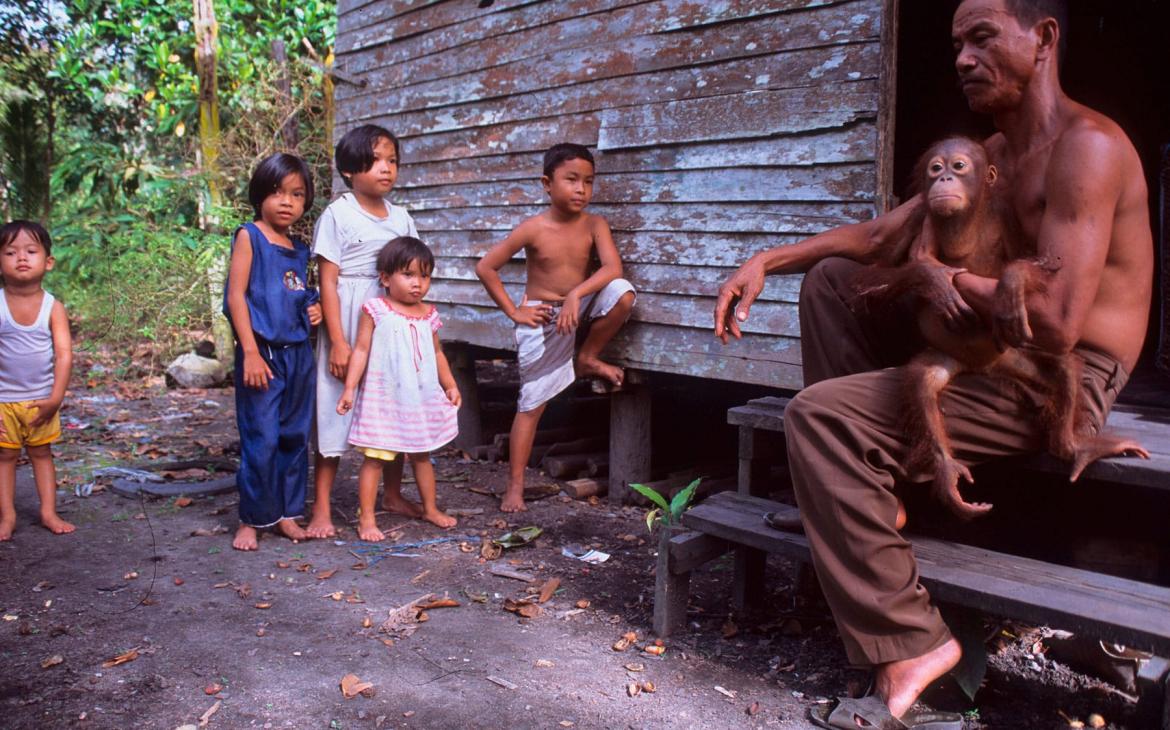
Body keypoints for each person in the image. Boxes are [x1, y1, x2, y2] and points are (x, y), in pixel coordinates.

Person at [713, 0, 1153, 725]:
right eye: (957, 45)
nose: (960, 59)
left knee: (817, 419)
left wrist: (947, 280)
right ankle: (870, 494)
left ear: (1043, 39)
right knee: (830, 284)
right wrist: (766, 259)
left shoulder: (1089, 148)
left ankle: (913, 642)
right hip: (983, 348)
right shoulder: (991, 156)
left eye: (981, 38)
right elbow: (878, 234)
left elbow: (1058, 324)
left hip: (1059, 376)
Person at [476, 143, 636, 513]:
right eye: (571, 180)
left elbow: (612, 268)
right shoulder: (533, 228)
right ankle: (514, 486)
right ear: (547, 184)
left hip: (575, 307)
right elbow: (486, 267)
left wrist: (577, 294)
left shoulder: (595, 224)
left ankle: (587, 356)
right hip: (543, 317)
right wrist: (515, 312)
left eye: (588, 182)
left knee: (623, 293)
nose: (581, 189)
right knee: (531, 405)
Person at [309, 124, 419, 539]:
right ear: (351, 169)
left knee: (393, 405)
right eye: (375, 161)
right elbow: (329, 281)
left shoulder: (403, 218)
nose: (386, 169)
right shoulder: (338, 214)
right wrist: (338, 341)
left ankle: (392, 495)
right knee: (334, 405)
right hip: (350, 317)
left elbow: (415, 274)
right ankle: (321, 507)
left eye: (392, 161)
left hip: (390, 323)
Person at [224, 153, 323, 552]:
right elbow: (236, 297)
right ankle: (252, 518)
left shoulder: (299, 248)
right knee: (260, 437)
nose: (287, 202)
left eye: (296, 194)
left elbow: (296, 294)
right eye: (278, 192)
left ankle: (286, 513)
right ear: (261, 194)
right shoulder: (250, 236)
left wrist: (312, 309)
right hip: (262, 353)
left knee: (294, 436)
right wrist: (249, 351)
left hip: (298, 354)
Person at [336, 236, 461, 537]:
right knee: (376, 457)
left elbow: (438, 353)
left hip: (419, 397)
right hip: (386, 397)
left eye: (424, 275)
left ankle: (429, 508)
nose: (417, 283)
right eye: (408, 275)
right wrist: (350, 388)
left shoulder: (429, 314)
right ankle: (366, 517)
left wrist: (450, 385)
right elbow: (362, 350)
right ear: (385, 278)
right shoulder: (376, 309)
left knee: (421, 453)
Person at [0, 221, 74, 541]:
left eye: (31, 251)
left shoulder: (52, 307)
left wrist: (56, 398)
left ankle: (48, 511)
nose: (21, 258)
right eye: (10, 252)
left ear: (48, 262)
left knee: (42, 453)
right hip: (3, 401)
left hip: (41, 399)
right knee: (5, 456)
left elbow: (64, 355)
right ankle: (8, 515)